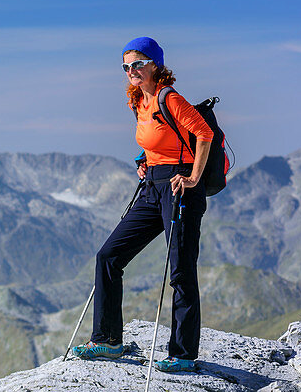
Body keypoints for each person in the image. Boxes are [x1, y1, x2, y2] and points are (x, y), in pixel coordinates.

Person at [72, 37, 214, 372]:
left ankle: (182, 355)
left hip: (180, 188)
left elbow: (204, 133)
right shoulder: (140, 101)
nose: (131, 71)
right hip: (152, 186)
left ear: (155, 64)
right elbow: (156, 141)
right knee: (109, 256)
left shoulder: (169, 97)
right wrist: (144, 159)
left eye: (138, 63)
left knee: (180, 270)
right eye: (126, 66)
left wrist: (193, 178)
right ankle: (108, 340)